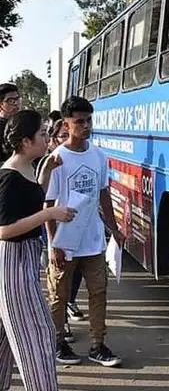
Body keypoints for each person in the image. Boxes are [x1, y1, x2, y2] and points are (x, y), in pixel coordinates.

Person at [39, 96, 124, 367]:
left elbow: (103, 196)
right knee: (59, 294)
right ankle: (58, 341)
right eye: (79, 121)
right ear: (66, 123)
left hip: (94, 242)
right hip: (65, 242)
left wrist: (114, 229)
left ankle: (98, 345)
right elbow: (49, 205)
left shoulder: (99, 156)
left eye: (88, 120)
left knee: (99, 293)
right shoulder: (57, 160)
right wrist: (54, 244)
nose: (86, 126)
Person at [0, 109, 77, 391]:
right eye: (43, 134)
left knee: (7, 332)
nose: (48, 138)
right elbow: (4, 229)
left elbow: (31, 198)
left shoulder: (28, 168)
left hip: (24, 260)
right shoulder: (8, 178)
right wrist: (50, 213)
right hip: (13, 263)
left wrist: (45, 175)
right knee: (38, 335)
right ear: (25, 141)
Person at [35, 119, 84, 345]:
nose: (67, 140)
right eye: (61, 137)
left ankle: (69, 306)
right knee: (58, 276)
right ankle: (60, 326)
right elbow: (42, 200)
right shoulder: (50, 163)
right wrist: (53, 241)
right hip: (53, 226)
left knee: (75, 274)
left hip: (77, 227)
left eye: (68, 135)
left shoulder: (85, 158)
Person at [0, 84, 21, 162]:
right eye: (11, 101)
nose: (16, 103)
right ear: (1, 104)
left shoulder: (22, 123)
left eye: (18, 99)